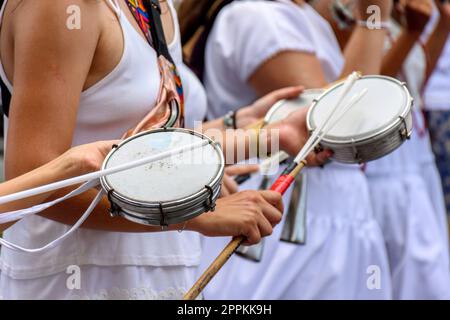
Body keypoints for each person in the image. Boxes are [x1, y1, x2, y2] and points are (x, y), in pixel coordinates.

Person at [0, 0, 325, 299]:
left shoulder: (154, 4)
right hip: (81, 280)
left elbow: (147, 145)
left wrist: (256, 130)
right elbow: (37, 182)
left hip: (161, 267)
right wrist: (193, 214)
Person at [180, 0, 393, 299]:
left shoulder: (298, 15)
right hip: (285, 222)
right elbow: (338, 127)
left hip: (320, 214)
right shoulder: (260, 17)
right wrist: (375, 18)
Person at [364, 0, 450, 299]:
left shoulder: (399, 15)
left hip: (416, 156)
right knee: (412, 278)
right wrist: (412, 32)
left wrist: (442, 24)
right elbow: (371, 89)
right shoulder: (359, 15)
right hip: (383, 164)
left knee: (430, 272)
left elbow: (415, 84)